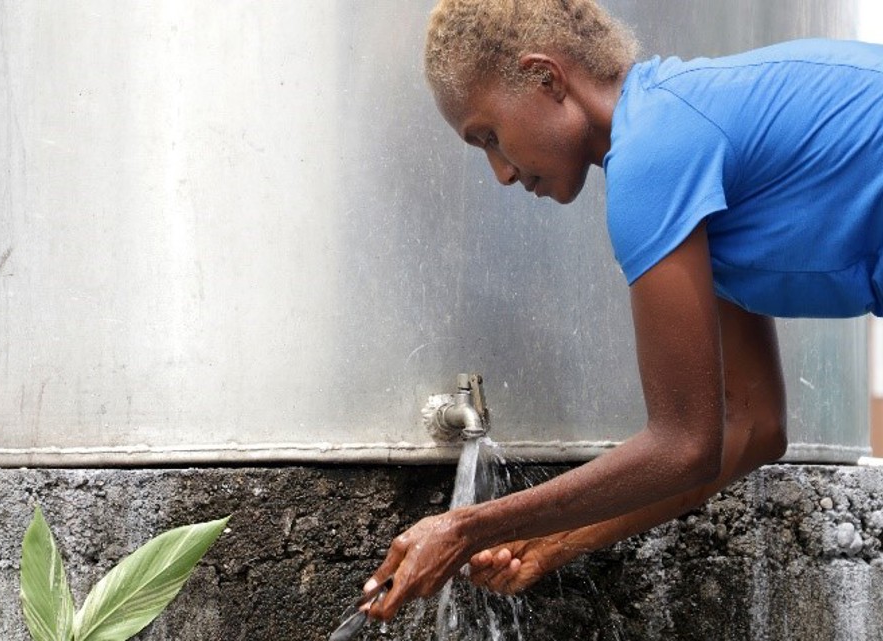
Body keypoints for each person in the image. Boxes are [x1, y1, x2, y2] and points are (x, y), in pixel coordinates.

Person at [363, 0, 883, 621]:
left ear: (547, 78)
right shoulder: (679, 149)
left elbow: (683, 445)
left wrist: (463, 528)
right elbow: (752, 428)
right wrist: (552, 544)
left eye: (490, 137)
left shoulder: (653, 154)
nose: (500, 173)